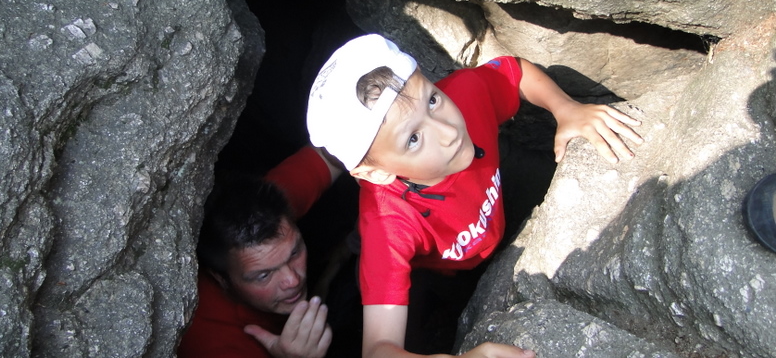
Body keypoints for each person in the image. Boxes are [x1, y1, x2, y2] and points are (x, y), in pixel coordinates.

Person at [305, 34, 644, 358]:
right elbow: (379, 348)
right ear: (375, 173)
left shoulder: (465, 95)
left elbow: (515, 71)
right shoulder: (386, 226)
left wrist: (565, 108)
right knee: (425, 318)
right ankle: (342, 261)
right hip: (433, 268)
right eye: (413, 139)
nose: (449, 131)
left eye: (432, 100)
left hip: (481, 223)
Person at [178, 145, 343, 358]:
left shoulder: (270, 214)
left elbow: (342, 147)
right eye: (264, 275)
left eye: (294, 253)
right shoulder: (214, 342)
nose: (292, 280)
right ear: (222, 280)